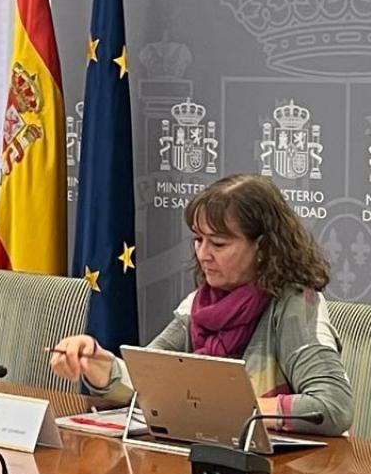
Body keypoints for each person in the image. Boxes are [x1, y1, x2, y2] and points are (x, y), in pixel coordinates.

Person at [50, 173, 352, 435]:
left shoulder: (296, 305)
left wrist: (225, 408)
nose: (203, 254)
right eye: (198, 239)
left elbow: (332, 406)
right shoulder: (199, 304)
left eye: (219, 244)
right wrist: (96, 362)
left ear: (264, 247)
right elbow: (150, 381)